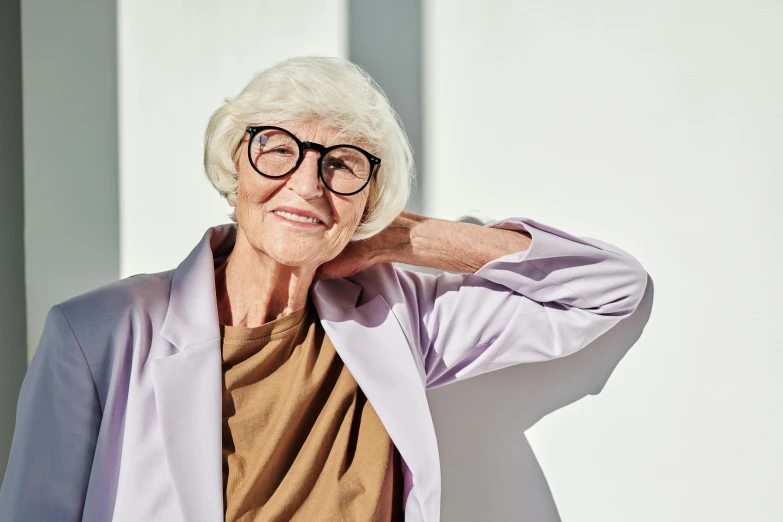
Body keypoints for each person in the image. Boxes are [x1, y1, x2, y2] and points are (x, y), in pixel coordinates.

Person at [0, 56, 649, 522]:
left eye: (341, 165)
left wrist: (405, 238)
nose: (308, 186)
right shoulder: (96, 334)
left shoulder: (392, 317)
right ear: (234, 165)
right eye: (278, 149)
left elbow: (607, 290)